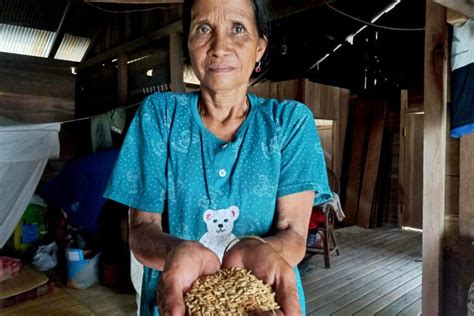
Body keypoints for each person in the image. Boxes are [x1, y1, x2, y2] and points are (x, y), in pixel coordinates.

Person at [104, 0, 331, 314]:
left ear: (260, 47)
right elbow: (141, 231)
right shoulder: (160, 117)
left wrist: (253, 249)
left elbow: (293, 234)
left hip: (261, 299)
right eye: (203, 29)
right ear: (189, 43)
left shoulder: (289, 123)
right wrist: (178, 251)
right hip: (179, 297)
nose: (219, 46)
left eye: (238, 29)